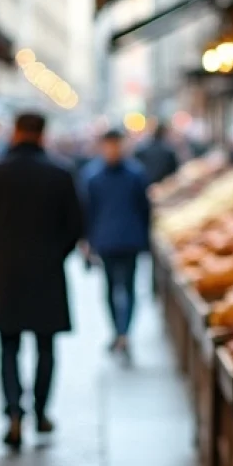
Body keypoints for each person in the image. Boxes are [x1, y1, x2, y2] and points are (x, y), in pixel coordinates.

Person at [0, 113, 85, 450]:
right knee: (46, 346)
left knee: (8, 346)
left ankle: (13, 414)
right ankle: (41, 410)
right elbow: (75, 226)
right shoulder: (61, 173)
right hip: (47, 271)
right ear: (42, 134)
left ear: (16, 132)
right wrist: (56, 254)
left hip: (6, 272)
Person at [81, 129, 151, 361]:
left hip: (129, 240)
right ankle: (119, 331)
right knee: (111, 288)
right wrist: (87, 242)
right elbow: (87, 211)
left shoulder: (135, 174)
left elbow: (145, 208)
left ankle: (124, 332)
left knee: (128, 287)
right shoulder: (92, 176)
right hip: (106, 241)